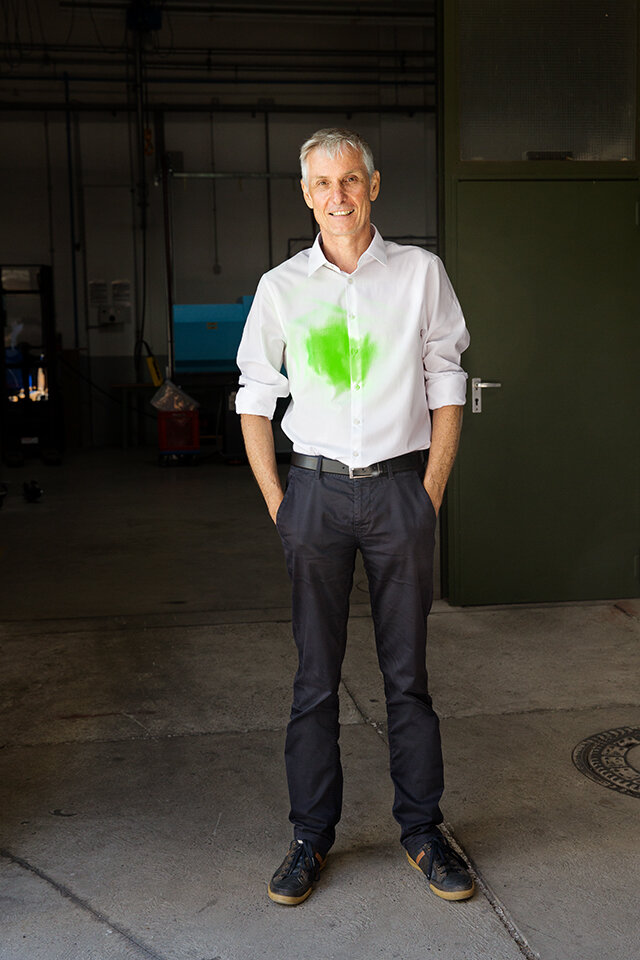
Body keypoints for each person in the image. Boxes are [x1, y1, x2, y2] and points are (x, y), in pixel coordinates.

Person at [235, 128, 473, 906]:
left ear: (374, 184)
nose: (337, 195)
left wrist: (428, 492)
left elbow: (448, 378)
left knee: (408, 678)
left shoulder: (419, 275)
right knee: (314, 680)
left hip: (401, 492)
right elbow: (253, 396)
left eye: (350, 180)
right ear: (306, 195)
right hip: (314, 496)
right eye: (322, 184)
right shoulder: (282, 287)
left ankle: (422, 831)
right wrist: (280, 501)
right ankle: (310, 837)